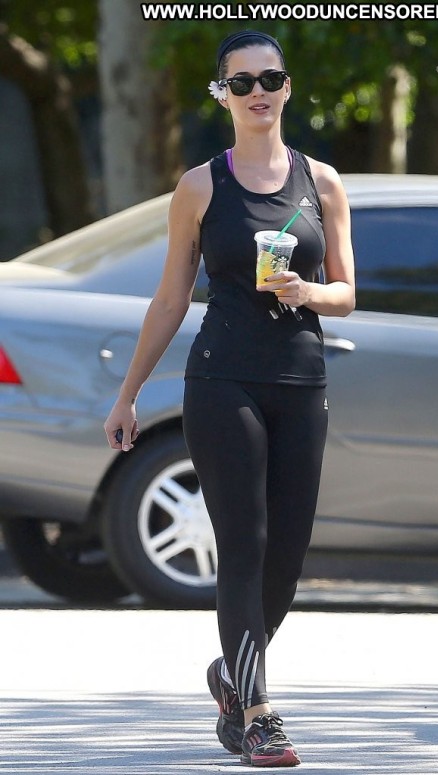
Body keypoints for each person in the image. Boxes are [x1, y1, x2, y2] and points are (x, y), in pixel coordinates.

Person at [104, 29, 355, 768]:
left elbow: (346, 290)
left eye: (268, 79)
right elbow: (170, 299)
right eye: (240, 82)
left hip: (302, 381)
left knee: (287, 553)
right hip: (223, 380)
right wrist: (128, 394)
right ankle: (257, 714)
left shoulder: (323, 182)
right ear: (223, 95)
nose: (257, 93)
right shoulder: (200, 186)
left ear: (286, 87)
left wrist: (307, 291)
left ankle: (231, 672)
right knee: (243, 543)